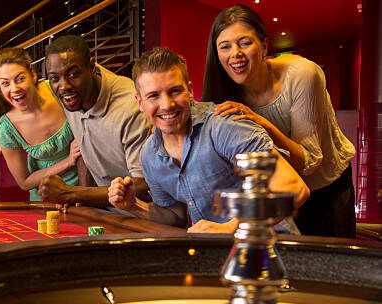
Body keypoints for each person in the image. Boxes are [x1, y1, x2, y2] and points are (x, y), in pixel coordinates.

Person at [109, 47, 309, 234]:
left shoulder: (223, 125)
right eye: (153, 96)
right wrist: (134, 206)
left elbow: (293, 189)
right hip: (218, 253)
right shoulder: (149, 155)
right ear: (140, 102)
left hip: (272, 248)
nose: (167, 105)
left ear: (189, 90)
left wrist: (231, 227)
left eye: (175, 92)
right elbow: (176, 217)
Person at [201, 4, 355, 237]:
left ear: (264, 46)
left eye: (245, 43)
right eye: (225, 46)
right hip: (277, 190)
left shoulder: (303, 74)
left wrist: (261, 122)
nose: (235, 54)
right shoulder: (224, 93)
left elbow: (310, 162)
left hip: (326, 188)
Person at [39, 35, 152, 207]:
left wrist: (72, 193)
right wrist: (82, 200)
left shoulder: (129, 107)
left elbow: (143, 187)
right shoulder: (73, 98)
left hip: (141, 216)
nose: (63, 86)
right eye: (55, 78)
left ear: (91, 67)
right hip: (107, 211)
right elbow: (85, 149)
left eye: (73, 74)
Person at [0, 48, 80, 200]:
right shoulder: (5, 129)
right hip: (49, 196)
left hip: (88, 183)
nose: (14, 89)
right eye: (5, 83)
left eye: (20, 79)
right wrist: (68, 161)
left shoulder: (56, 88)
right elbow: (25, 182)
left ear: (33, 75)